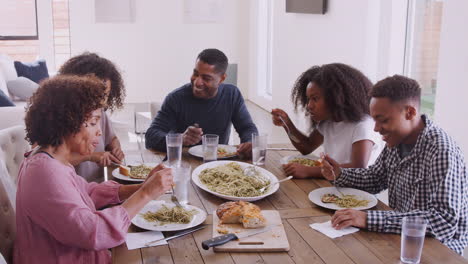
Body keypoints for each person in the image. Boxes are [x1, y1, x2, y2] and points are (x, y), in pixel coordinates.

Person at [14, 75, 173, 263]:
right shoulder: (44, 172)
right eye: (92, 122)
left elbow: (87, 193)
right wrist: (146, 194)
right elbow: (94, 233)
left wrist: (141, 187)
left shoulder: (51, 159)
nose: (99, 131)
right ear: (66, 122)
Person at [321, 75, 468, 254]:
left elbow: (444, 222)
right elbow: (375, 179)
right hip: (401, 238)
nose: (376, 128)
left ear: (410, 113)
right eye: (374, 119)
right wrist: (340, 174)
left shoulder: (442, 151)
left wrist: (368, 219)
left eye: (383, 120)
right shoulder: (396, 141)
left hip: (438, 251)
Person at [271, 63, 383, 178]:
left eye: (315, 99)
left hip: (359, 193)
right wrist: (287, 123)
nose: (309, 105)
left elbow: (358, 167)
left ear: (336, 97)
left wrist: (310, 171)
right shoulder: (328, 122)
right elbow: (306, 147)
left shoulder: (363, 125)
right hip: (334, 185)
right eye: (308, 99)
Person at [145, 48, 258, 158]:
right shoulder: (176, 98)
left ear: (222, 79)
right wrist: (181, 139)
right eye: (195, 73)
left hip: (219, 163)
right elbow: (151, 137)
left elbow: (247, 128)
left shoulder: (232, 94)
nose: (197, 82)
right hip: (184, 162)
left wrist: (249, 143)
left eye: (206, 78)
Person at [59, 52, 126, 182]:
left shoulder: (100, 113)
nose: (102, 101)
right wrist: (90, 156)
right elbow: (52, 159)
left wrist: (115, 148)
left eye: (105, 95)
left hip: (96, 185)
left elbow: (111, 139)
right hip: (73, 187)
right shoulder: (61, 117)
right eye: (98, 94)